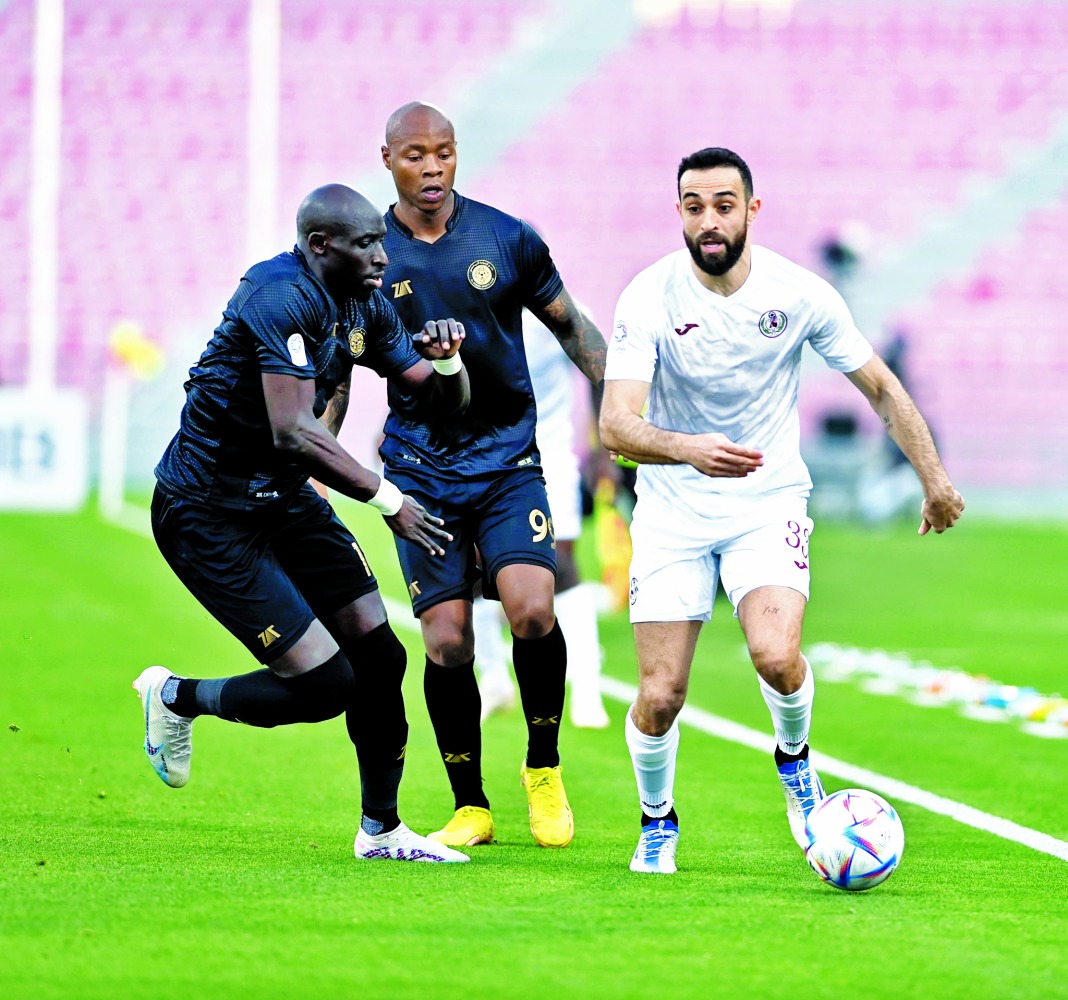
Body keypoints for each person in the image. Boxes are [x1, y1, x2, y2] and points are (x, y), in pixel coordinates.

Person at [599, 147, 965, 874]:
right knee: (661, 696)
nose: (709, 220)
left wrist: (935, 480)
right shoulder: (648, 297)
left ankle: (796, 764)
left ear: (752, 210)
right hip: (672, 511)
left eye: (723, 205)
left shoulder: (799, 295)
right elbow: (615, 425)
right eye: (694, 207)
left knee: (776, 655)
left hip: (766, 503)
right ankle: (657, 821)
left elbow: (882, 388)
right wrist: (689, 449)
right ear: (679, 212)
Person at [134, 183, 473, 864]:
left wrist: (447, 361)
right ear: (321, 246)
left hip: (284, 501)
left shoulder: (366, 305)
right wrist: (389, 500)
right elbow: (292, 429)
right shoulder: (278, 294)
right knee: (324, 686)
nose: (383, 255)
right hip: (207, 513)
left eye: (381, 241)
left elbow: (444, 404)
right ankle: (175, 697)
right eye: (366, 243)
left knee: (381, 659)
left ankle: (382, 832)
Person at [377, 102, 608, 849]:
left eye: (444, 152)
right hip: (419, 472)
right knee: (446, 641)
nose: (433, 167)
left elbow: (572, 327)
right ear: (388, 160)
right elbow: (337, 369)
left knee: (533, 609)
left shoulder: (507, 239)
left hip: (508, 461)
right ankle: (470, 803)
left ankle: (543, 767)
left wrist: (623, 409)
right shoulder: (369, 255)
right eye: (416, 154)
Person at [474, 307, 611, 730]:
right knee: (475, 567)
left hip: (547, 452)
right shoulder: (471, 298)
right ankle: (494, 679)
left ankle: (587, 686)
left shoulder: (559, 309)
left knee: (560, 564)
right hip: (480, 455)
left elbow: (602, 369)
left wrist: (604, 447)